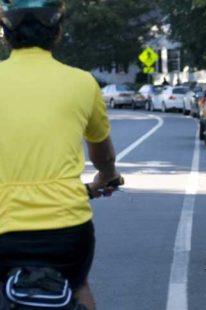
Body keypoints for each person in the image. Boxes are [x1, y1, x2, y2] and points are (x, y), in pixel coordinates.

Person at [0, 1, 121, 309]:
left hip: (4, 232)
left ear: (6, 35)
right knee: (78, 287)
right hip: (67, 232)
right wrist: (105, 179)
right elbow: (103, 156)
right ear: (57, 32)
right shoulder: (81, 82)